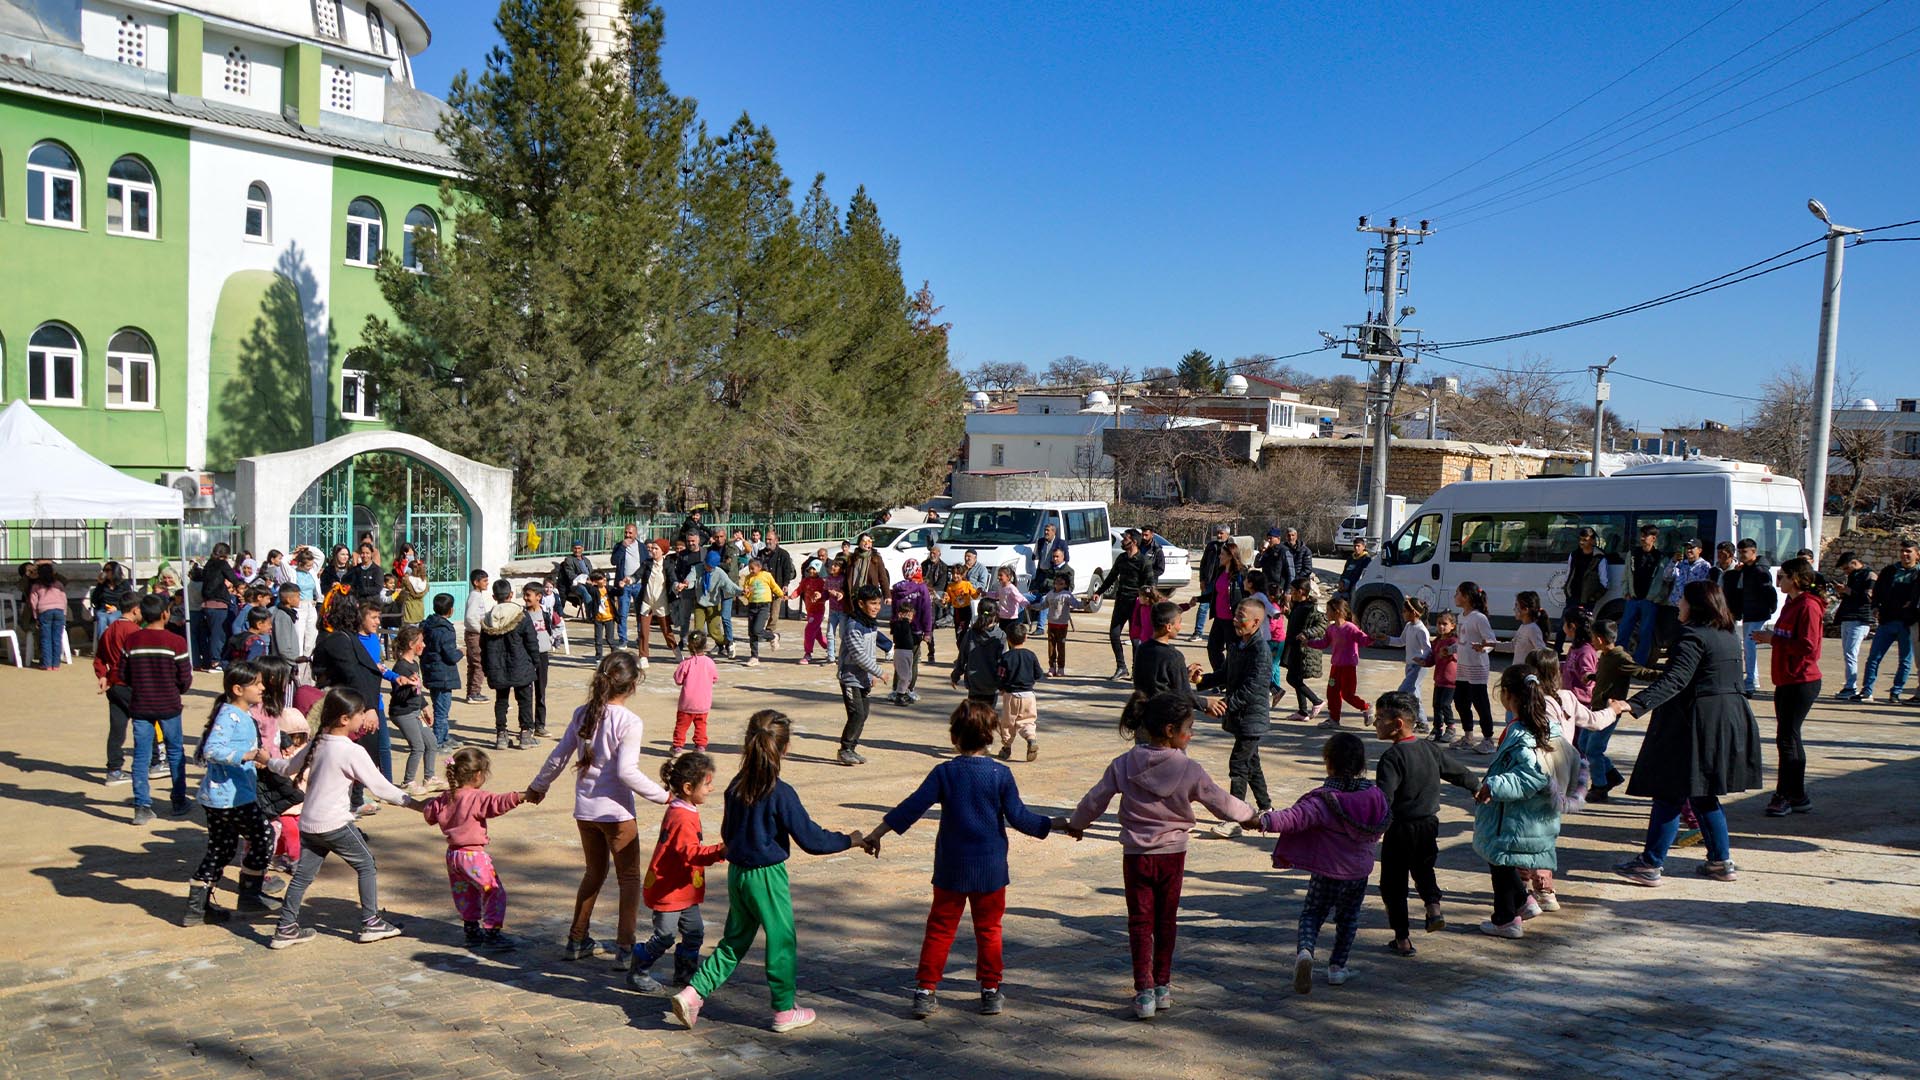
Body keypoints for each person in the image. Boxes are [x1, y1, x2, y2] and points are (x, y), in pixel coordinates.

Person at [670, 710, 866, 1035]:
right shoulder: (779, 791)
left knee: (734, 941)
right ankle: (784, 1009)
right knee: (781, 940)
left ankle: (693, 993)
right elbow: (812, 839)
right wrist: (850, 840)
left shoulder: (735, 787)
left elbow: (728, 833)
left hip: (739, 874)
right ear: (784, 749)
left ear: (748, 744)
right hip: (766, 876)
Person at [1061, 692, 1253, 1020]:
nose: (1191, 734)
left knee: (1139, 922)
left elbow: (1096, 799)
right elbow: (1220, 801)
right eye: (1188, 728)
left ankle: (1144, 991)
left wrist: (1077, 825)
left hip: (1136, 855)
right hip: (1172, 856)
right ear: (1169, 730)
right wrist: (1251, 816)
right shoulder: (1190, 769)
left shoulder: (1123, 764)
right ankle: (1163, 985)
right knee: (1166, 921)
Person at [864, 700, 1054, 1019]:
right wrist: (1059, 824)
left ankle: (926, 989)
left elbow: (912, 807)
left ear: (955, 738)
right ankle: (990, 989)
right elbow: (1021, 818)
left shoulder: (944, 773)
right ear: (990, 736)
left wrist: (878, 832)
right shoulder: (1000, 775)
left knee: (940, 928)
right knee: (990, 929)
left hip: (951, 867)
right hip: (991, 869)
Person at [1608, 581, 1764, 887]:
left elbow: (1676, 680)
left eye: (1682, 600)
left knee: (1669, 791)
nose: (1678, 604)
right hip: (1726, 718)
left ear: (1696, 605)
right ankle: (1721, 862)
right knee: (1703, 792)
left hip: (1696, 721)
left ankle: (1650, 865)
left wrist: (1633, 703)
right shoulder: (1728, 635)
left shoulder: (1691, 636)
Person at [528, 651, 673, 964]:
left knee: (593, 873)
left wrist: (538, 786)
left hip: (586, 811)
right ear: (633, 685)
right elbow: (627, 772)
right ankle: (624, 947)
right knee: (629, 879)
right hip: (617, 813)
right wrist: (664, 797)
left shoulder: (583, 713)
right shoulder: (629, 721)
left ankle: (577, 938)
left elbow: (559, 755)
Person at [265, 687, 419, 949]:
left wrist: (266, 760)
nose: (363, 717)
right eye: (360, 713)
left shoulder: (318, 742)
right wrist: (417, 805)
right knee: (366, 865)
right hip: (334, 823)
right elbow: (381, 788)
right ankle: (371, 922)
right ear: (345, 719)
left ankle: (285, 928)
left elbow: (287, 767)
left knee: (302, 877)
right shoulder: (351, 750)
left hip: (309, 823)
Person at [1249, 731, 1389, 993]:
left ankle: (1305, 952)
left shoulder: (1324, 800)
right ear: (1361, 764)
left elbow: (1293, 818)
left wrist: (1262, 821)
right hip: (1358, 873)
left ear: (1329, 763)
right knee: (1348, 919)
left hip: (1327, 871)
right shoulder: (1375, 797)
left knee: (1312, 914)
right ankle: (1337, 967)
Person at [1370, 691, 1475, 957]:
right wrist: (1477, 787)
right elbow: (1457, 771)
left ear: (1398, 724)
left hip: (1400, 828)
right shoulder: (1429, 748)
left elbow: (1383, 799)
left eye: (1380, 718)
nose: (1375, 723)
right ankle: (1433, 908)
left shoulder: (1392, 758)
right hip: (1429, 824)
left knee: (1393, 884)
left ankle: (1403, 939)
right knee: (1424, 868)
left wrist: (1372, 827)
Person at [1471, 664, 1571, 939]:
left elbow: (1530, 776)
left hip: (1515, 814)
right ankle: (1523, 902)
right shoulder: (1547, 727)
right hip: (1532, 814)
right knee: (1503, 861)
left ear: (1506, 694)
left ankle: (1506, 920)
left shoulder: (1521, 732)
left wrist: (1493, 785)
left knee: (1501, 862)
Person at [183, 662, 277, 926]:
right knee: (263, 834)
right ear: (238, 689)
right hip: (230, 797)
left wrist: (253, 760)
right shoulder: (230, 715)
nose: (262, 687)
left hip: (225, 796)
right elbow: (211, 750)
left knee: (221, 849)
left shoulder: (239, 715)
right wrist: (245, 755)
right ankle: (249, 894)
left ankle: (196, 909)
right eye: (256, 683)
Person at [628, 751, 726, 993]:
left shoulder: (684, 808)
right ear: (688, 787)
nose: (711, 789)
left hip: (684, 888)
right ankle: (638, 968)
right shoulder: (682, 816)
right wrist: (722, 851)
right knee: (664, 936)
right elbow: (690, 853)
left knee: (694, 933)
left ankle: (685, 974)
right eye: (707, 784)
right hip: (670, 888)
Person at [421, 747, 528, 952]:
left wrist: (418, 804)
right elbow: (498, 803)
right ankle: (492, 932)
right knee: (493, 891)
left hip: (453, 856)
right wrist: (521, 796)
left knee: (465, 893)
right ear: (478, 775)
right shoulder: (476, 797)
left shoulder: (446, 797)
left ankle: (471, 931)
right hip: (473, 856)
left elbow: (429, 815)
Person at [1197, 599, 1275, 830]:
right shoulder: (1237, 644)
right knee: (1252, 763)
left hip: (1252, 718)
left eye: (1241, 617)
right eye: (1236, 615)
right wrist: (1201, 680)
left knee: (1238, 765)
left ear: (1256, 622)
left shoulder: (1261, 651)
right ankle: (1266, 807)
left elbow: (1251, 689)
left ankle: (1235, 820)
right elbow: (1225, 674)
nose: (1235, 621)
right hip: (1240, 717)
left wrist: (1223, 705)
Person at [1755, 557, 1823, 817]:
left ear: (1795, 579)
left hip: (1801, 680)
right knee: (1788, 737)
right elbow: (1787, 637)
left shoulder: (1808, 606)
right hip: (1786, 678)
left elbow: (1809, 647)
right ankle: (1796, 795)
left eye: (1782, 576)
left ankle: (1788, 794)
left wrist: (1773, 639)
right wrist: (1772, 639)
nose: (1778, 580)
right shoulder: (1792, 604)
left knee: (1788, 738)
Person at [121, 593, 194, 824]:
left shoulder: (132, 640)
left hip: (141, 705)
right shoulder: (176, 642)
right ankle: (179, 800)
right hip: (169, 705)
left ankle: (142, 806)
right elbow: (185, 678)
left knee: (141, 756)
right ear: (166, 614)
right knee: (175, 752)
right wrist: (175, 689)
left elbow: (124, 674)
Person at [311, 595, 396, 788]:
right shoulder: (336, 639)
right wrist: (370, 708)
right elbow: (352, 675)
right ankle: (355, 797)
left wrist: (372, 707)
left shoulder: (344, 637)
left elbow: (365, 671)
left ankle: (358, 794)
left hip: (363, 703)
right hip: (345, 705)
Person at [1582, 620, 1659, 803]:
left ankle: (1599, 788)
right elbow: (1608, 674)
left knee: (1594, 750)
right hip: (1596, 710)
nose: (1591, 641)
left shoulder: (1620, 657)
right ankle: (1612, 775)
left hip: (1609, 711)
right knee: (1584, 744)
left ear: (1600, 639)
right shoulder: (1606, 655)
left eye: (1593, 638)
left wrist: (1667, 676)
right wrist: (1593, 676)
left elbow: (1640, 672)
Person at [1855, 539, 1919, 703]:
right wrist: (1876, 607)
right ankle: (1867, 691)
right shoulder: (1889, 571)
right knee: (1874, 657)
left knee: (1905, 661)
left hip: (1908, 622)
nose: (1905, 554)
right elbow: (1877, 591)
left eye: (1908, 551)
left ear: (1917, 555)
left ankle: (1896, 692)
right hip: (1887, 620)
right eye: (1902, 551)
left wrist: (1912, 604)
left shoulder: (1918, 573)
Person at [94, 590, 147, 785]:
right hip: (131, 683)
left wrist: (102, 675)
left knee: (117, 728)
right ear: (136, 610)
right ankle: (153, 763)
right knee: (145, 723)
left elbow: (99, 656)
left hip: (114, 684)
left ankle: (114, 770)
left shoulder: (109, 629)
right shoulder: (135, 632)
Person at [479, 581, 539, 751]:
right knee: (525, 699)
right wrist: (535, 662)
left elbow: (482, 647)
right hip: (521, 664)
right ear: (511, 595)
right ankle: (526, 734)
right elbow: (531, 642)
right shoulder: (520, 615)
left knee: (501, 700)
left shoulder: (488, 618)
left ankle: (501, 735)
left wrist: (486, 667)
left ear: (493, 597)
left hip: (497, 666)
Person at [836, 585, 887, 766]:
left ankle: (852, 748)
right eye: (872, 603)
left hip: (864, 678)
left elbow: (870, 651)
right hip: (850, 677)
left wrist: (872, 674)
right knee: (856, 714)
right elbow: (858, 655)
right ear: (861, 604)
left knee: (863, 714)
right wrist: (879, 672)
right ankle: (844, 749)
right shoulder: (853, 626)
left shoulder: (870, 624)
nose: (876, 607)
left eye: (878, 604)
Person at [1096, 531, 1157, 681]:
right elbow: (1111, 577)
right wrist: (1099, 592)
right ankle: (1121, 667)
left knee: (1136, 639)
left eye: (1125, 539)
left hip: (1137, 604)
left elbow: (1151, 584)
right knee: (1114, 634)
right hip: (1121, 601)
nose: (1122, 541)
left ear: (1134, 542)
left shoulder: (1143, 561)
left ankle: (1136, 670)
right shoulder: (1122, 558)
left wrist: (1147, 598)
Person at [1722, 538, 1777, 696]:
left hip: (1758, 612)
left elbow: (1769, 590)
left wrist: (1771, 608)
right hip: (1748, 612)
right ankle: (1753, 679)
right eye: (1740, 552)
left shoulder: (1760, 570)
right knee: (1748, 646)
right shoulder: (1746, 569)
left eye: (1744, 552)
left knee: (1749, 645)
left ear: (1754, 551)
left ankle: (1751, 680)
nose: (1742, 555)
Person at [1307, 598, 1373, 730]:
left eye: (1328, 611)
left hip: (1348, 667)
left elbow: (1363, 640)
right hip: (1336, 666)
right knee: (1332, 693)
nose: (1326, 614)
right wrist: (1308, 642)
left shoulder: (1350, 628)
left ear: (1337, 612)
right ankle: (1334, 719)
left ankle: (1366, 707)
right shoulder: (1331, 629)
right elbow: (1324, 643)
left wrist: (1373, 636)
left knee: (1348, 695)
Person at [388, 626, 437, 796]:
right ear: (411, 644)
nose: (423, 645)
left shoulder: (414, 664)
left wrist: (424, 707)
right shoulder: (400, 668)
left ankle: (429, 778)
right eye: (420, 642)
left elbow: (417, 691)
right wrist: (409, 685)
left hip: (415, 711)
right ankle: (408, 782)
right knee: (418, 747)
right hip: (403, 713)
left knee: (431, 742)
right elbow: (399, 696)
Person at [1452, 582, 1497, 754]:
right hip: (1463, 666)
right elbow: (1461, 641)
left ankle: (1488, 739)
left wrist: (1483, 648)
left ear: (1467, 596)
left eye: (1457, 593)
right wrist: (1449, 650)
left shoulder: (1479, 618)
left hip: (1477, 667)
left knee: (1480, 702)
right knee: (1460, 700)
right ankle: (1468, 736)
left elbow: (1491, 641)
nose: (1455, 597)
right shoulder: (1461, 616)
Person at [1375, 597, 1432, 731]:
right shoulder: (1409, 626)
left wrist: (1421, 658)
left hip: (1418, 667)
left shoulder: (1421, 630)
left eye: (1405, 611)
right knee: (1414, 695)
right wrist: (1387, 639)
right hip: (1410, 666)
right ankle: (1423, 723)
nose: (1403, 613)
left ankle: (1412, 720)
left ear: (1414, 613)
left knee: (1403, 692)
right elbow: (1401, 641)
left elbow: (1428, 649)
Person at [189, 543, 244, 670]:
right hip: (219, 604)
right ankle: (216, 661)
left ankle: (208, 660)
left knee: (209, 634)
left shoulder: (208, 564)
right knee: (219, 634)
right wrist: (242, 586)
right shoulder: (222, 564)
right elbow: (233, 578)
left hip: (207, 604)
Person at [420, 593, 464, 752]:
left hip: (433, 672)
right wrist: (461, 652)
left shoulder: (429, 625)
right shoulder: (444, 629)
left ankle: (444, 737)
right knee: (441, 711)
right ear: (451, 610)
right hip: (442, 674)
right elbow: (450, 655)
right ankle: (437, 741)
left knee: (442, 708)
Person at [1281, 579, 1328, 723]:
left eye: (1293, 590)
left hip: (1304, 649)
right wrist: (1288, 613)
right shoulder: (1298, 605)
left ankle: (1317, 701)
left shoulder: (1312, 608)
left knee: (1293, 678)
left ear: (1301, 591)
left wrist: (1307, 633)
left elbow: (1323, 625)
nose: (1291, 594)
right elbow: (1297, 621)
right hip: (1294, 647)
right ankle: (1303, 711)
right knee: (1296, 677)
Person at [1557, 527, 1610, 652]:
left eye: (1585, 540)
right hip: (1573, 596)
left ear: (1592, 541)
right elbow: (1568, 573)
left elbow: (1605, 582)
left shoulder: (1599, 557)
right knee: (1564, 624)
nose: (1582, 543)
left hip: (1588, 599)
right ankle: (1557, 650)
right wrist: (1567, 590)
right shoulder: (1574, 554)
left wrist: (1593, 597)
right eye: (1580, 540)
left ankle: (1583, 651)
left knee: (1584, 628)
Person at [1619, 524, 1666, 664]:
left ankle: (1639, 663)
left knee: (1645, 634)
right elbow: (1626, 574)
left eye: (1646, 536)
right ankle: (1618, 659)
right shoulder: (1633, 553)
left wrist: (1656, 598)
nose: (1642, 538)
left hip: (1649, 601)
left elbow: (1663, 581)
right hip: (1632, 598)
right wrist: (1626, 592)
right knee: (1623, 631)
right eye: (1642, 535)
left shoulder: (1660, 557)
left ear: (1654, 538)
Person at [995, 624, 1043, 761]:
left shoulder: (1006, 657)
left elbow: (1000, 676)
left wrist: (1001, 687)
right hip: (1029, 695)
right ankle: (1031, 738)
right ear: (1026, 637)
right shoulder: (1031, 655)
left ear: (1008, 640)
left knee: (1008, 723)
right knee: (1027, 721)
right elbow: (1038, 674)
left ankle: (1006, 747)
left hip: (1011, 695)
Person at [1831, 551, 1875, 699]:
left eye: (1846, 568)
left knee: (1851, 653)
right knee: (1848, 653)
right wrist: (1843, 592)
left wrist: (1847, 590)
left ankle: (1851, 687)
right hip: (1848, 618)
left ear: (1854, 563)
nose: (1845, 571)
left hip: (1860, 619)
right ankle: (1850, 685)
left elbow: (1868, 597)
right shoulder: (1853, 576)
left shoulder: (1869, 575)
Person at [1203, 537, 1248, 676]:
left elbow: (1246, 595)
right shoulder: (1220, 571)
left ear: (1230, 556)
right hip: (1219, 618)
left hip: (1232, 620)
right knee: (1213, 648)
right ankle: (1221, 677)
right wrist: (1199, 599)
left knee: (1233, 651)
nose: (1219, 556)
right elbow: (1215, 593)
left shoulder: (1241, 573)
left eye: (1222, 554)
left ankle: (1231, 679)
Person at [672, 632, 718, 757]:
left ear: (690, 647)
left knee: (681, 725)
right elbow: (714, 678)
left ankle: (677, 747)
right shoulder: (710, 662)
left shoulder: (685, 663)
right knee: (701, 725)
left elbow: (678, 680)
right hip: (703, 702)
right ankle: (700, 746)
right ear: (705, 646)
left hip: (687, 702)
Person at [611, 524, 652, 650]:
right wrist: (623, 547)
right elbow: (614, 561)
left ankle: (641, 637)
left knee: (641, 612)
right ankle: (623, 639)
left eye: (630, 533)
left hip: (638, 584)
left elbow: (646, 564)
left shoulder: (641, 547)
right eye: (626, 533)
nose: (627, 535)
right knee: (623, 613)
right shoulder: (619, 546)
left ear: (635, 533)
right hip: (624, 584)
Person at [740, 557, 786, 667]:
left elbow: (774, 586)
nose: (751, 571)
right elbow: (746, 593)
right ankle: (754, 656)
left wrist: (781, 595)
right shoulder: (748, 578)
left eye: (753, 568)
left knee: (757, 630)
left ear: (759, 567)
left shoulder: (766, 575)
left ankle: (773, 636)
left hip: (764, 606)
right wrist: (746, 592)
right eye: (749, 568)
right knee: (752, 633)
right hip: (752, 606)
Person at [1192, 524, 1233, 640]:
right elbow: (1203, 563)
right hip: (1209, 581)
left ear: (1227, 534)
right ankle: (1197, 632)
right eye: (1218, 533)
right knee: (1203, 606)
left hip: (1223, 582)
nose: (1219, 535)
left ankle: (1221, 634)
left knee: (1221, 606)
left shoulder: (1231, 547)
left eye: (1221, 533)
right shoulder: (1211, 546)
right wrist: (1202, 579)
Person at [1425, 611, 1460, 744]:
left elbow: (1456, 654)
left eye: (1445, 624)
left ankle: (1450, 728)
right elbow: (1433, 659)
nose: (1441, 627)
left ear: (1453, 626)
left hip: (1450, 681)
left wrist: (1448, 652)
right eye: (1439, 623)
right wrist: (1424, 662)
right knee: (1436, 705)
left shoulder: (1454, 642)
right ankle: (1437, 729)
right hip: (1439, 680)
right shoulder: (1437, 641)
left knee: (1445, 704)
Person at [26, 564, 67, 671]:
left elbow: (33, 602)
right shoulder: (58, 584)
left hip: (44, 612)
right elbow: (64, 599)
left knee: (46, 639)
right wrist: (64, 613)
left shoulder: (36, 586)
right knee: (57, 638)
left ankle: (47, 664)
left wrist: (36, 617)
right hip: (59, 611)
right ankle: (56, 664)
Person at [889, 591, 924, 707]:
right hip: (901, 652)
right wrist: (903, 620)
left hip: (907, 652)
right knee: (904, 675)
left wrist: (918, 637)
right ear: (900, 614)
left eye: (910, 615)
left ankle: (903, 693)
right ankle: (899, 695)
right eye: (907, 614)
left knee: (908, 675)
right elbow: (900, 633)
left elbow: (910, 637)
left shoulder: (906, 625)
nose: (909, 617)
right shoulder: (899, 624)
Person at [463, 570, 493, 704]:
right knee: (478, 663)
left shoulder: (477, 595)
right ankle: (474, 692)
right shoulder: (475, 596)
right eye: (484, 581)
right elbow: (470, 617)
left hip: (473, 633)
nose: (487, 583)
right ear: (476, 582)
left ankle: (471, 691)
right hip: (475, 635)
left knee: (473, 664)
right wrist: (480, 630)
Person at [795, 563, 829, 665]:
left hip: (818, 611)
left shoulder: (822, 582)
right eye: (810, 569)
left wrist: (820, 595)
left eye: (814, 569)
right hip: (809, 610)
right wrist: (790, 596)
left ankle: (808, 654)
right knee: (817, 634)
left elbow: (826, 594)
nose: (812, 571)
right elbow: (799, 590)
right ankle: (830, 648)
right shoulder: (805, 581)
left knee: (809, 630)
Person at [1042, 573, 1074, 677]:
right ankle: (1052, 667)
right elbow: (1044, 605)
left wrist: (1087, 602)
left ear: (1065, 585)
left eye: (1061, 583)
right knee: (1051, 647)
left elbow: (1076, 604)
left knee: (1061, 647)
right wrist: (1032, 606)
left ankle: (1061, 668)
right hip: (1051, 624)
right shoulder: (1050, 594)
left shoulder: (1067, 595)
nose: (1058, 585)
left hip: (1062, 626)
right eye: (1056, 582)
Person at [586, 570, 616, 659]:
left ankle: (614, 655)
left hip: (609, 618)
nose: (603, 580)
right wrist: (589, 583)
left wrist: (621, 587)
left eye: (603, 578)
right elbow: (589, 589)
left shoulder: (609, 589)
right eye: (600, 579)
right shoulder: (595, 590)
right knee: (598, 639)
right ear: (595, 582)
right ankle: (598, 657)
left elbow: (618, 592)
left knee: (610, 639)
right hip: (598, 619)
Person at [1336, 538, 1371, 603]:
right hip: (1345, 584)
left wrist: (1349, 584)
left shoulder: (1366, 559)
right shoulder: (1351, 558)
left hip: (1356, 585)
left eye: (1358, 546)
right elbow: (1344, 572)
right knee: (1335, 596)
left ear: (1363, 547)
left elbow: (1362, 575)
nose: (1356, 548)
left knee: (1353, 597)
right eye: (1355, 546)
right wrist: (1341, 582)